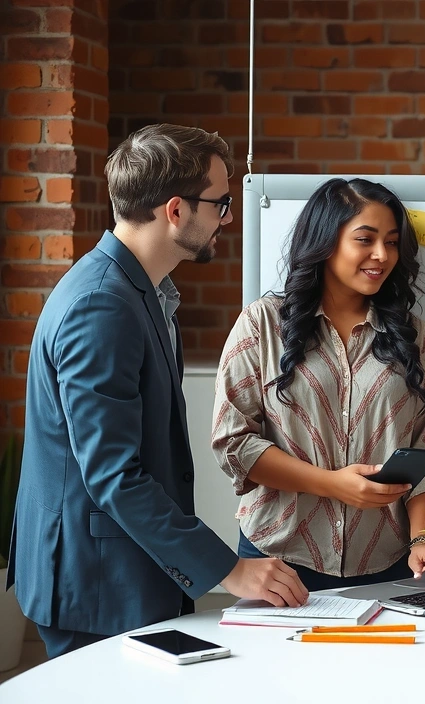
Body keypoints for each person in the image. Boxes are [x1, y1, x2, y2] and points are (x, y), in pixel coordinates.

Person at [7, 123, 308, 658]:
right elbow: (114, 476)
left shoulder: (143, 291)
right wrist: (229, 570)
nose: (229, 217)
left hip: (119, 570)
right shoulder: (102, 305)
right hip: (98, 581)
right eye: (220, 202)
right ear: (176, 211)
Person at [211, 177, 425, 591]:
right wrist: (333, 484)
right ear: (326, 242)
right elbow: (234, 443)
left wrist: (423, 538)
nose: (382, 255)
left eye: (392, 242)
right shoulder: (263, 324)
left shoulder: (414, 336)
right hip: (277, 558)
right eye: (365, 239)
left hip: (390, 561)